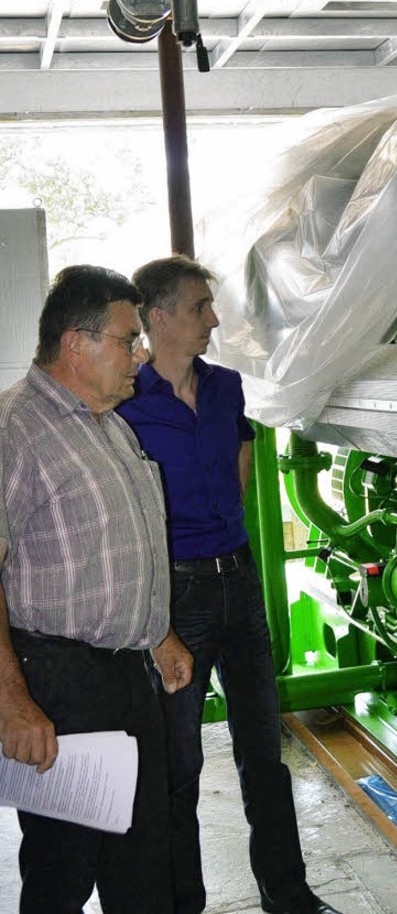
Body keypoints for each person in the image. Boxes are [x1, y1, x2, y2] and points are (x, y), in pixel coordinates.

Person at [118, 255, 342, 914]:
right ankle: (183, 902)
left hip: (238, 582)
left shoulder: (224, 388)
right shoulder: (128, 403)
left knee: (263, 751)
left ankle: (289, 894)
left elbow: (242, 456)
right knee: (179, 764)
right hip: (177, 598)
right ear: (159, 318)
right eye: (198, 308)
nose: (213, 320)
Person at [0, 264, 193, 914]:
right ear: (76, 344)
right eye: (127, 338)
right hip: (58, 687)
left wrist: (157, 633)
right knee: (62, 873)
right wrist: (13, 704)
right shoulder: (15, 432)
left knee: (144, 864)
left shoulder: (110, 424)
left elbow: (114, 548)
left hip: (126, 680)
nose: (141, 352)